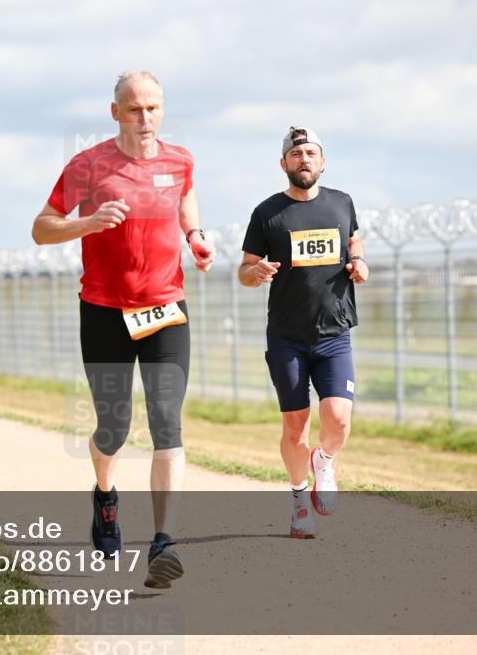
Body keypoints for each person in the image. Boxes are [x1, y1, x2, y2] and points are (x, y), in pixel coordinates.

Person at [32, 71, 214, 589]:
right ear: (115, 113)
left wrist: (195, 236)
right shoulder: (87, 166)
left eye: (153, 108)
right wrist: (84, 224)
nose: (146, 119)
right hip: (105, 310)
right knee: (113, 425)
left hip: (164, 308)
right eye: (135, 109)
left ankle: (164, 541)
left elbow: (185, 201)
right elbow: (41, 227)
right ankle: (106, 497)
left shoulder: (180, 160)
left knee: (166, 421)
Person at [238, 126, 369, 539]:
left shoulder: (341, 203)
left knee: (339, 420)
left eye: (311, 153)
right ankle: (298, 501)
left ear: (322, 161)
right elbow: (244, 269)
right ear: (284, 164)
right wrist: (254, 273)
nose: (304, 159)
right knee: (295, 425)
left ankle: (324, 461)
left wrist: (359, 263)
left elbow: (355, 241)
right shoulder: (267, 213)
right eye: (296, 155)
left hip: (335, 333)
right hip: (287, 337)